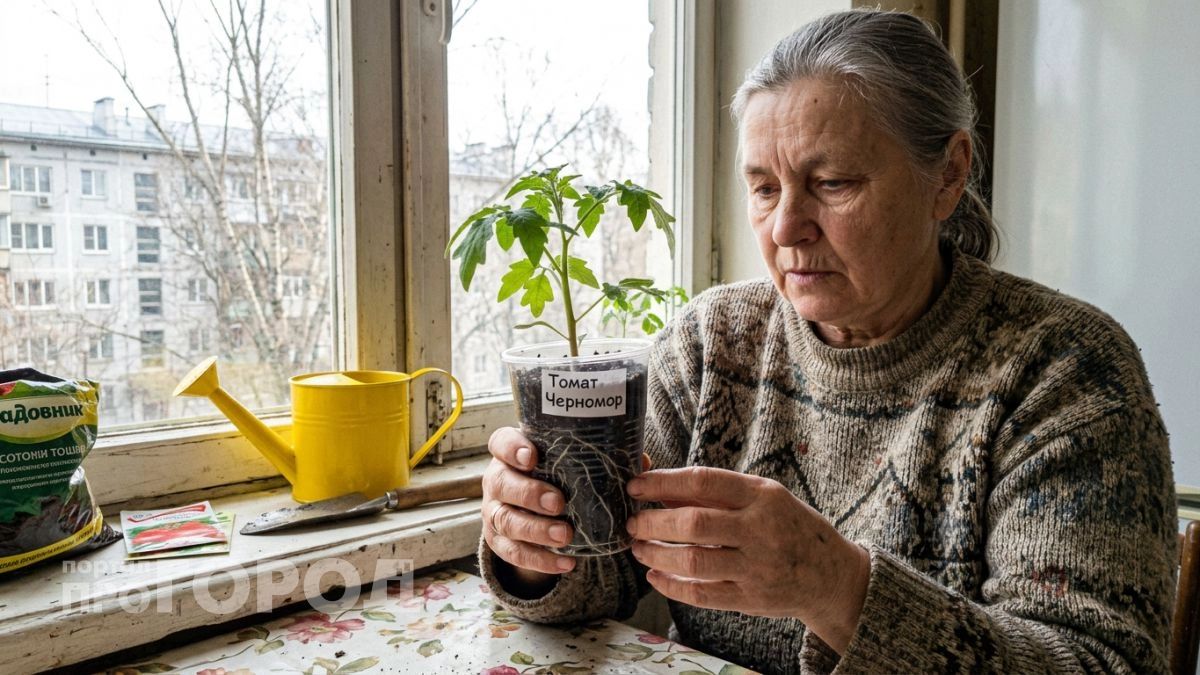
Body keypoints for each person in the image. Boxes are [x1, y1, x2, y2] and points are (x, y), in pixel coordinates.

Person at [477, 8, 1177, 674]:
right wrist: (538, 543)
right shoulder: (712, 342)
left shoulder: (1065, 372)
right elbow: (608, 568)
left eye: (833, 183)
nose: (785, 228)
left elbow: (1100, 662)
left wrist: (837, 587)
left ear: (950, 174)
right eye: (762, 187)